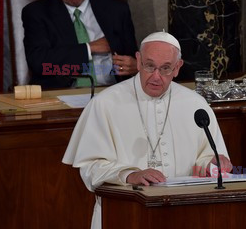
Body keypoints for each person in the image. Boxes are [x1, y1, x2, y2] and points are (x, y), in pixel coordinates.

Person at [62, 31, 232, 229]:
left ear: (178, 68)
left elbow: (206, 160)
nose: (156, 76)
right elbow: (89, 167)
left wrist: (213, 165)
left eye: (166, 68)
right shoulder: (105, 103)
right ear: (138, 60)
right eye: (149, 66)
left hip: (183, 214)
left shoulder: (195, 104)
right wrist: (128, 175)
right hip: (125, 215)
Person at [22, 0, 138, 89]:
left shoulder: (116, 10)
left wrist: (135, 65)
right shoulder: (37, 13)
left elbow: (133, 57)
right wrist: (89, 48)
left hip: (112, 92)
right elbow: (40, 63)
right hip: (63, 96)